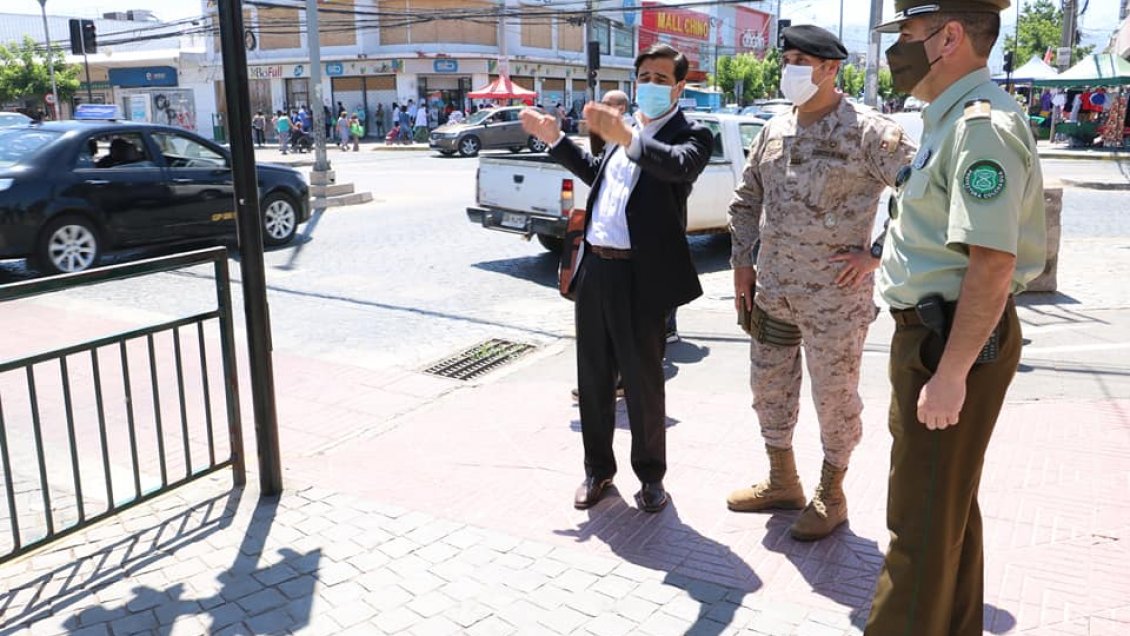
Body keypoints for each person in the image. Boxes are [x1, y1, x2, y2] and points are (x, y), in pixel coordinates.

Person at [863, 1, 1046, 633]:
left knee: (918, 523)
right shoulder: (952, 122)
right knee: (945, 512)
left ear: (949, 38)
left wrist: (951, 374)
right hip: (936, 336)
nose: (897, 53)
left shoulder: (980, 126)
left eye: (907, 36)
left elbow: (992, 266)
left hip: (949, 341)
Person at [724, 25, 918, 542]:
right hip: (774, 293)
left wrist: (876, 254)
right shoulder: (774, 129)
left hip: (836, 300)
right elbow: (746, 202)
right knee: (768, 386)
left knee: (834, 398)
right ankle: (782, 480)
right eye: (786, 58)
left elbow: (924, 190)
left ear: (831, 68)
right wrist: (743, 263)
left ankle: (831, 493)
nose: (789, 68)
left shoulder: (870, 132)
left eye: (800, 60)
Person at [521, 43, 713, 514]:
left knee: (645, 382)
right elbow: (596, 175)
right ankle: (597, 471)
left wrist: (626, 137)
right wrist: (556, 140)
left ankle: (650, 478)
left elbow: (677, 168)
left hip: (640, 278)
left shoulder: (691, 134)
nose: (649, 85)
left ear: (680, 86)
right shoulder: (624, 135)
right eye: (643, 76)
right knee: (592, 378)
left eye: (661, 78)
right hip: (597, 270)